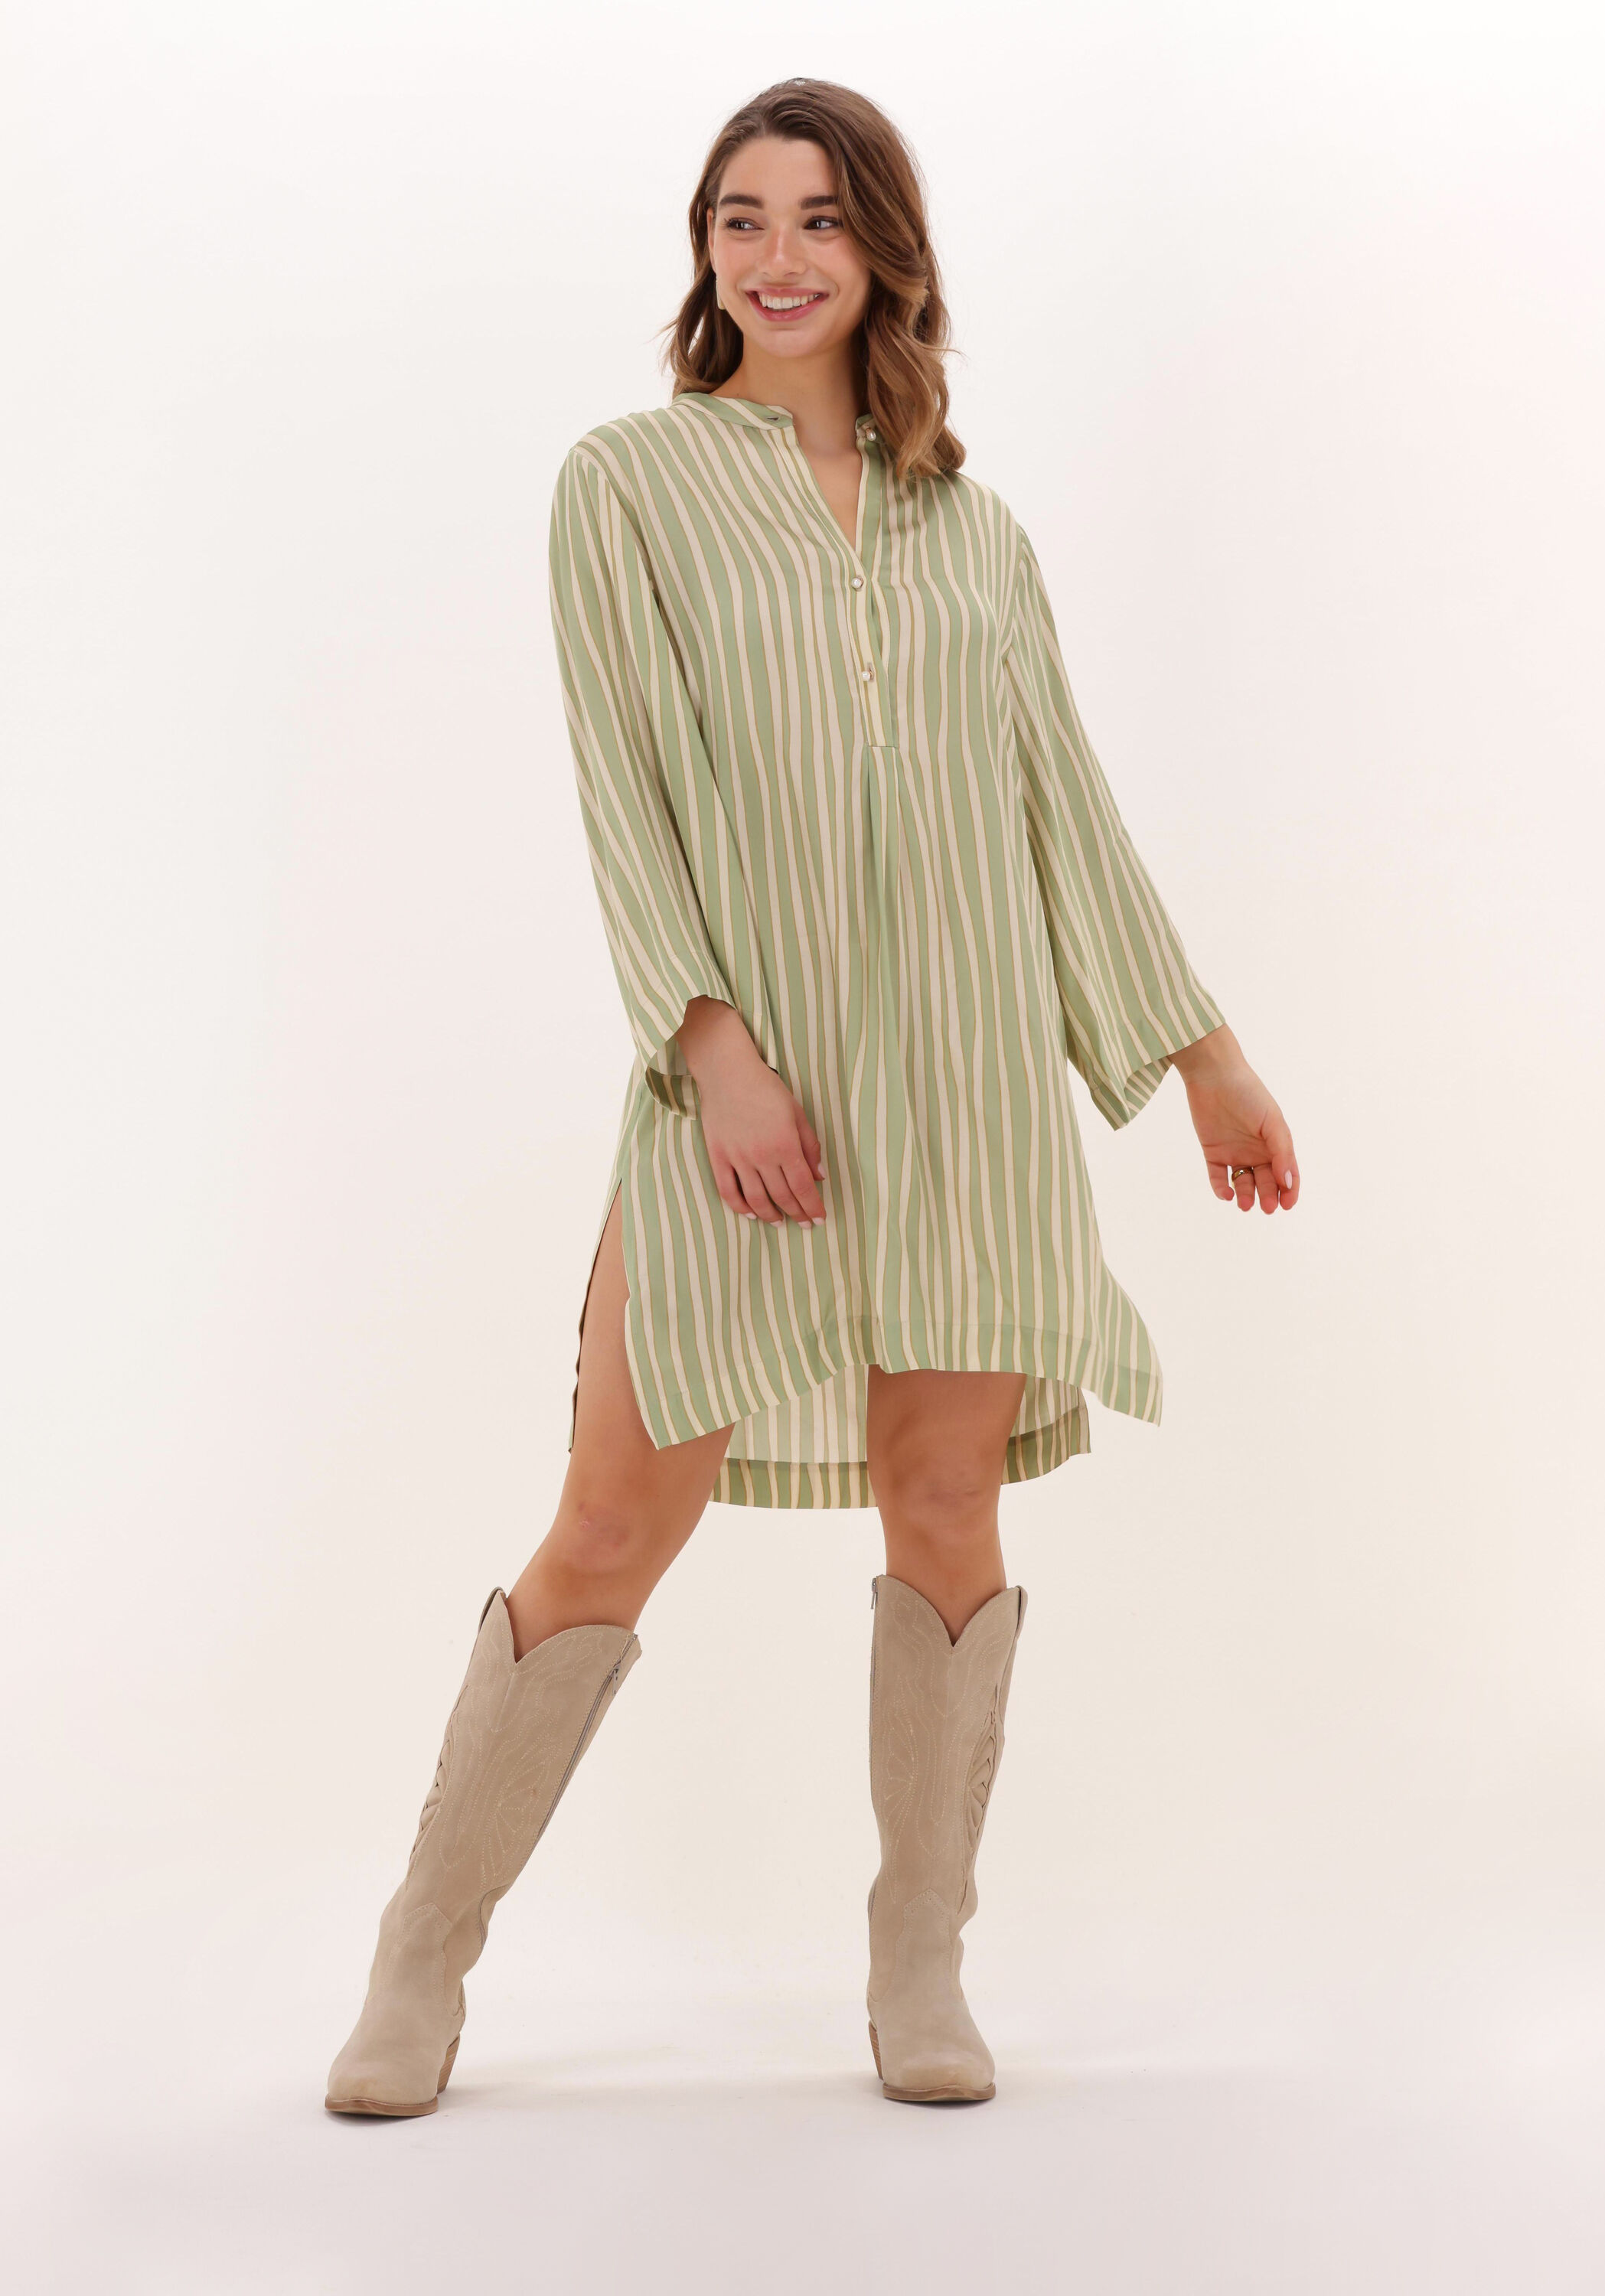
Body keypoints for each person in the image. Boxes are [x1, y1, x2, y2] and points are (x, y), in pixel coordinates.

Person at [324, 77, 1299, 2120]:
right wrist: (713, 1051)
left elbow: (1059, 801)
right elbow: (626, 784)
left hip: (964, 1084)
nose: (776, 257)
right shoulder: (628, 484)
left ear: (885, 254)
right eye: (741, 219)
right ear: (704, 249)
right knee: (610, 1520)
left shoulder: (973, 531)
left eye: (820, 220)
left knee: (944, 1504)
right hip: (742, 1092)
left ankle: (918, 1958)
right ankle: (423, 1951)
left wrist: (1200, 1053)